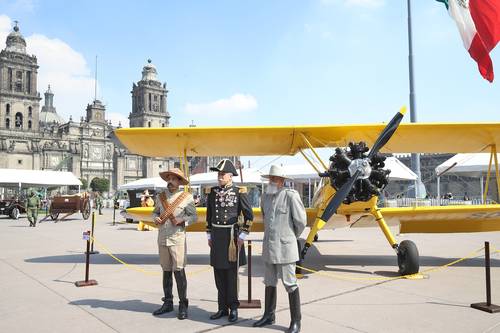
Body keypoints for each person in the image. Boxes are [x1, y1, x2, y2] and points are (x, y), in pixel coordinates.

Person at [253, 165, 306, 333]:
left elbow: (300, 223)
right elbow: (265, 218)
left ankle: (296, 321)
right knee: (269, 282)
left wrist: (288, 237)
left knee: (290, 284)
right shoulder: (265, 197)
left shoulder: (291, 196)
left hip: (285, 249)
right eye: (270, 178)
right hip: (269, 247)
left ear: (282, 181)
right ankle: (269, 315)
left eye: (275, 178)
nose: (271, 181)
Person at [206, 159, 253, 322]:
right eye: (218, 174)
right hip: (217, 237)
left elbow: (249, 216)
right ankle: (222, 308)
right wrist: (209, 235)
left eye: (222, 174)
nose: (219, 176)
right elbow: (209, 215)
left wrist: (242, 235)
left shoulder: (239, 191)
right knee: (218, 273)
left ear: (230, 176)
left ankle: (233, 308)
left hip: (232, 238)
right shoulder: (212, 192)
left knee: (231, 275)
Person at [152, 168, 197, 320]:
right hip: (163, 237)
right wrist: (155, 218)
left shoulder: (187, 197)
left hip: (177, 238)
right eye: (168, 178)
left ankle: (183, 304)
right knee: (165, 270)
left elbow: (194, 217)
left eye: (174, 178)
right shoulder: (161, 197)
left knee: (178, 270)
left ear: (179, 182)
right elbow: (155, 212)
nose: (170, 181)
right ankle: (168, 302)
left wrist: (182, 219)